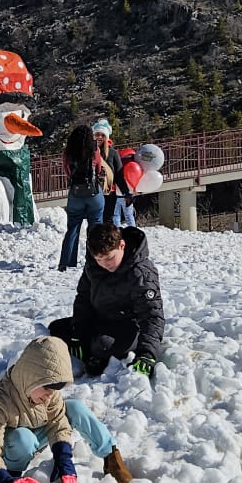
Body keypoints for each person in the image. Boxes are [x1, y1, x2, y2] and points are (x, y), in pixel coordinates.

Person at [0, 335, 132, 483]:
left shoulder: (49, 393)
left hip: (38, 436)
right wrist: (2, 479)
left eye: (54, 389)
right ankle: (14, 475)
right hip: (13, 450)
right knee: (22, 438)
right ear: (31, 378)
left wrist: (63, 458)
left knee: (75, 407)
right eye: (47, 388)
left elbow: (57, 422)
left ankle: (112, 458)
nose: (50, 395)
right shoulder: (1, 399)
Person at [50, 220, 164, 378]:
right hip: (101, 320)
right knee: (56, 329)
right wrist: (79, 332)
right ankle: (90, 353)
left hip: (129, 326)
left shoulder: (140, 273)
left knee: (103, 345)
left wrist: (148, 353)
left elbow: (152, 315)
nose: (104, 265)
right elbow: (83, 299)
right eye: (99, 260)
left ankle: (98, 357)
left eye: (109, 259)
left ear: (122, 245)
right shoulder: (93, 266)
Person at [58, 124, 109, 271]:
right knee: (95, 228)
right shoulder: (94, 150)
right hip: (93, 192)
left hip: (76, 193)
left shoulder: (68, 152)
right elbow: (98, 168)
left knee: (73, 227)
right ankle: (94, 261)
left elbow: (68, 171)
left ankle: (66, 262)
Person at [93, 117, 136, 229]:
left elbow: (119, 175)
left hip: (109, 194)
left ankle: (107, 244)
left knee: (107, 220)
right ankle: (93, 244)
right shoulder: (88, 153)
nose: (99, 137)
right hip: (93, 193)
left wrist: (126, 193)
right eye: (97, 134)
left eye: (102, 135)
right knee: (95, 220)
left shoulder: (113, 153)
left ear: (106, 137)